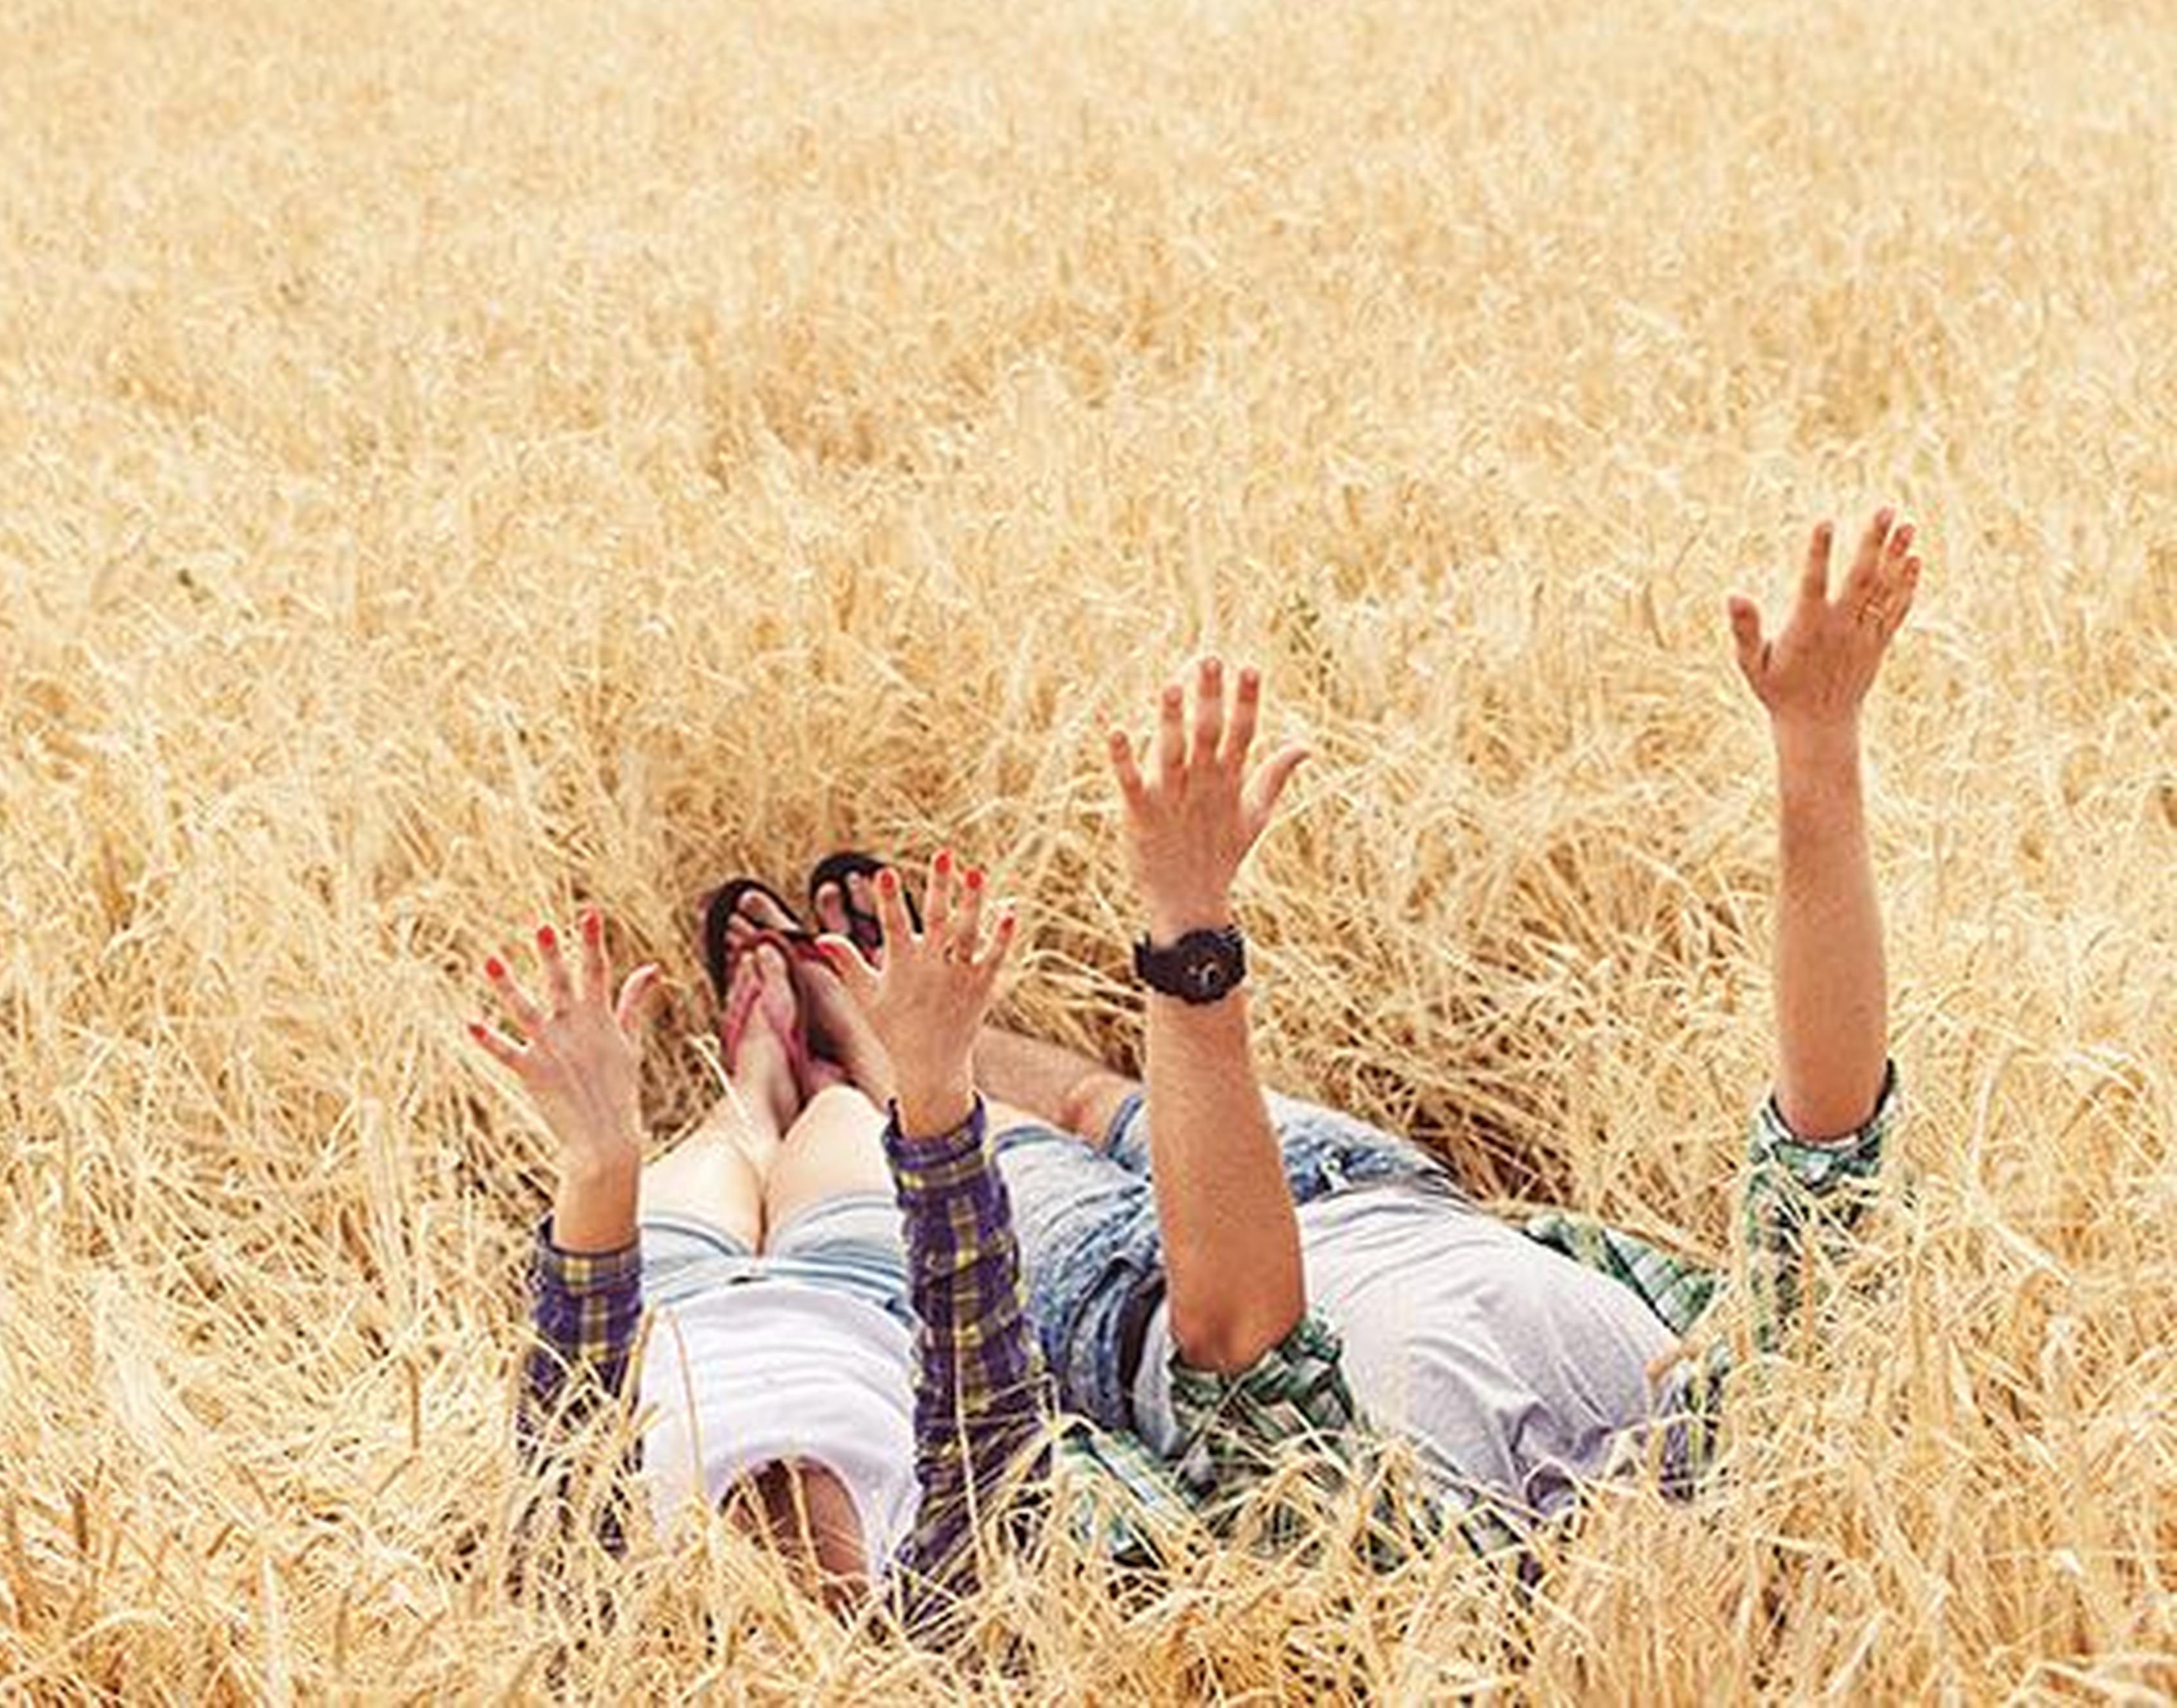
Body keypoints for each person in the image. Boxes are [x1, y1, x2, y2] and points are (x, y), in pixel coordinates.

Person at [804, 508, 1919, 1559]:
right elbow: (1827, 1141)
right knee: (1096, 1101)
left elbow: (1241, 1338)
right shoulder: (1757, 1450)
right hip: (1375, 1188)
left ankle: (845, 1036)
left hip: (1140, 1289)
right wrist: (1819, 740)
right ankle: (907, 1001)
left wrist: (1191, 929)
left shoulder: (1441, 1569)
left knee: (990, 1133)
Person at [469, 849, 1201, 1623]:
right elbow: (976, 1348)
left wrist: (602, 1159)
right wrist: (930, 1083)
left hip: (669, 1302)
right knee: (845, 1114)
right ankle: (844, 1045)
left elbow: (573, 1412)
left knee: (732, 1138)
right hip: (859, 1286)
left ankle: (758, 1066)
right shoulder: (939, 1601)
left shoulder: (623, 1621)